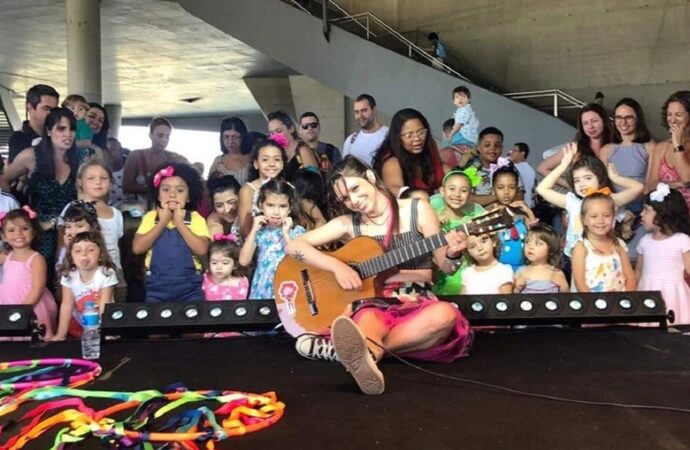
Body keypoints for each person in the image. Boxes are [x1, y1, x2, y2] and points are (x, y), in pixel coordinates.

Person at [286, 156, 472, 395]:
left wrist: (454, 254)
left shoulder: (417, 209)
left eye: (355, 189)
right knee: (369, 319)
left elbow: (446, 267)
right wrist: (337, 267)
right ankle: (367, 353)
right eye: (344, 197)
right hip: (373, 301)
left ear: (371, 177)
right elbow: (293, 247)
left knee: (445, 315)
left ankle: (357, 353)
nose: (353, 201)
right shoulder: (347, 224)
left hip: (417, 302)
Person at [536, 143, 643, 277]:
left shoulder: (609, 200)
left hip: (604, 258)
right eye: (577, 180)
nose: (582, 184)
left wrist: (615, 178)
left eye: (588, 178)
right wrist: (563, 165)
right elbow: (542, 189)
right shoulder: (572, 201)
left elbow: (638, 188)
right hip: (574, 258)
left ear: (600, 178)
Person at [0, 107, 82, 278]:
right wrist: (15, 210)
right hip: (40, 232)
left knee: (71, 281)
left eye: (72, 128)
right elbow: (4, 179)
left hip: (71, 232)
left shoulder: (80, 158)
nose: (68, 134)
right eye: (61, 128)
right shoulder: (31, 156)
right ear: (49, 131)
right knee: (38, 281)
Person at [132, 162, 210, 302]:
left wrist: (180, 223)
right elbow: (137, 248)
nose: (172, 194)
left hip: (190, 288)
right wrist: (162, 222)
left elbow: (202, 249)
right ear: (158, 195)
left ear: (189, 197)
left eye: (180, 190)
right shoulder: (151, 217)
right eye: (166, 190)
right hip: (156, 287)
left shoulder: (196, 219)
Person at [61, 160, 126, 303]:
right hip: (82, 271)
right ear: (80, 183)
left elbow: (116, 246)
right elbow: (63, 243)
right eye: (91, 178)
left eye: (103, 178)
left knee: (114, 313)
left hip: (112, 272)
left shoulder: (116, 214)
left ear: (111, 182)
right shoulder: (73, 208)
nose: (98, 182)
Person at [239, 179, 306, 299]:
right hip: (261, 291)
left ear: (290, 208)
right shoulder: (260, 232)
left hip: (289, 290)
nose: (276, 212)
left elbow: (299, 261)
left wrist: (286, 234)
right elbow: (243, 261)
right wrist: (254, 230)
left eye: (283, 206)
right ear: (261, 206)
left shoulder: (297, 232)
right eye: (270, 205)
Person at [0, 207, 58, 340]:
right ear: (3, 236)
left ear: (34, 232)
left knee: (32, 338)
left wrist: (23, 309)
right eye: (11, 230)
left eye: (25, 229)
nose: (18, 234)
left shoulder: (36, 258)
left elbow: (38, 288)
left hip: (31, 304)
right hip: (8, 302)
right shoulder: (6, 255)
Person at [636, 183, 690, 324]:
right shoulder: (644, 242)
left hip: (673, 295)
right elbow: (638, 272)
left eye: (646, 210)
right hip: (647, 292)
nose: (641, 214)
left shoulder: (682, 240)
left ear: (663, 213)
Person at [51, 231, 118, 341]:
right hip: (80, 323)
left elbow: (105, 305)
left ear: (101, 255)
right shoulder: (69, 275)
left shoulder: (106, 273)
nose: (84, 254)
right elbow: (67, 305)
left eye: (90, 250)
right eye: (78, 251)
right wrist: (60, 335)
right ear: (71, 258)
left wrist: (105, 332)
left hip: (103, 323)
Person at [430, 168, 485, 295]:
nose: (457, 194)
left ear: (470, 195)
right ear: (442, 191)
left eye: (464, 190)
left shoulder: (471, 221)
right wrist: (436, 223)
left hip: (467, 276)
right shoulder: (433, 219)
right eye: (452, 188)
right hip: (440, 276)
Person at [371, 108, 446, 197]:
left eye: (421, 132)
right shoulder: (391, 162)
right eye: (409, 135)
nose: (417, 139)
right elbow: (396, 191)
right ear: (398, 137)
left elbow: (440, 168)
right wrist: (420, 196)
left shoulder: (429, 146)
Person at [571, 193, 636, 292]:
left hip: (620, 303)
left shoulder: (618, 245)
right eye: (594, 216)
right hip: (593, 304)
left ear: (614, 217)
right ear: (584, 219)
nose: (600, 220)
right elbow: (579, 282)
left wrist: (627, 299)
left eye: (606, 216)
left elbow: (631, 277)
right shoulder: (581, 247)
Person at [122, 117, 189, 210]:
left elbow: (191, 172)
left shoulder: (173, 157)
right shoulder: (136, 155)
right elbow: (126, 186)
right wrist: (157, 189)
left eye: (167, 136)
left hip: (163, 211)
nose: (164, 140)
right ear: (150, 135)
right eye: (160, 135)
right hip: (136, 212)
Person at [599, 98, 653, 214]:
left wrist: (631, 212)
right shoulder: (607, 149)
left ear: (638, 119)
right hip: (614, 208)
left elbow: (650, 185)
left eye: (628, 117)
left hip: (641, 208)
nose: (623, 122)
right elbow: (602, 183)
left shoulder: (650, 147)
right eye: (618, 117)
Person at [537, 104, 613, 185]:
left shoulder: (616, 146)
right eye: (585, 123)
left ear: (604, 121)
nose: (590, 126)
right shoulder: (574, 148)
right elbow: (542, 168)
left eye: (594, 121)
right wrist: (569, 185)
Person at [646, 91, 690, 210]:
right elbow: (650, 185)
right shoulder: (661, 147)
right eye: (669, 114)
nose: (673, 120)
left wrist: (677, 143)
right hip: (668, 215)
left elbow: (686, 178)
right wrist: (675, 184)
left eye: (678, 114)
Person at [237, 136, 288, 237]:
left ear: (282, 164)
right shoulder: (248, 190)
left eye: (277, 159)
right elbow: (245, 230)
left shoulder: (288, 188)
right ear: (256, 164)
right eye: (265, 159)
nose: (272, 164)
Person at [490, 161, 536, 272]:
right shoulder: (489, 216)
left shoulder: (522, 214)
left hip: (524, 270)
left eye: (511, 187)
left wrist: (530, 213)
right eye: (501, 187)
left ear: (517, 190)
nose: (506, 192)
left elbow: (536, 238)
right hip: (499, 271)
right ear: (493, 191)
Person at [8, 84, 59, 162]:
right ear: (30, 107)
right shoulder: (19, 139)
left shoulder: (59, 133)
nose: (51, 113)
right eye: (46, 108)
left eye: (54, 109)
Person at [513, 224, 569, 293]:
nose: (531, 247)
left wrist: (562, 285)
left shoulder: (556, 273)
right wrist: (517, 288)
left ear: (551, 250)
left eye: (538, 243)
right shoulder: (520, 272)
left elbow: (566, 297)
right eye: (527, 242)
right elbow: (513, 298)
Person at [267, 110, 319, 182]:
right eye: (272, 133)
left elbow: (314, 179)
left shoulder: (303, 150)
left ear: (291, 128)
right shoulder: (277, 153)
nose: (275, 136)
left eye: (279, 131)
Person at [342, 94, 389, 166]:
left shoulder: (388, 136)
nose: (360, 115)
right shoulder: (351, 141)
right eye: (357, 112)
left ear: (374, 110)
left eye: (364, 110)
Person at [203, 236, 249, 301]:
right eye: (214, 263)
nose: (219, 267)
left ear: (235, 265)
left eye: (225, 263)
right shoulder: (205, 280)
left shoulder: (242, 282)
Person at [208, 117, 252, 185]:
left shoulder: (252, 158)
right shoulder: (218, 161)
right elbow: (209, 186)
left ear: (243, 137)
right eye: (226, 137)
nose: (230, 141)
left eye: (234, 137)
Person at [471, 127, 507, 205]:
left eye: (497, 145)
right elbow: (469, 199)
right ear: (478, 148)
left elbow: (519, 195)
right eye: (487, 145)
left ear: (502, 148)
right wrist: (500, 196)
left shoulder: (508, 169)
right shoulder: (470, 170)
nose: (492, 148)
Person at [508, 142, 536, 208]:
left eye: (514, 151)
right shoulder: (530, 168)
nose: (511, 153)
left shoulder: (516, 167)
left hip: (519, 205)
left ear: (523, 153)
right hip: (527, 205)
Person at [104, 137, 128, 209]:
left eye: (113, 149)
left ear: (121, 151)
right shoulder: (100, 171)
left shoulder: (133, 167)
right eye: (107, 150)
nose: (109, 153)